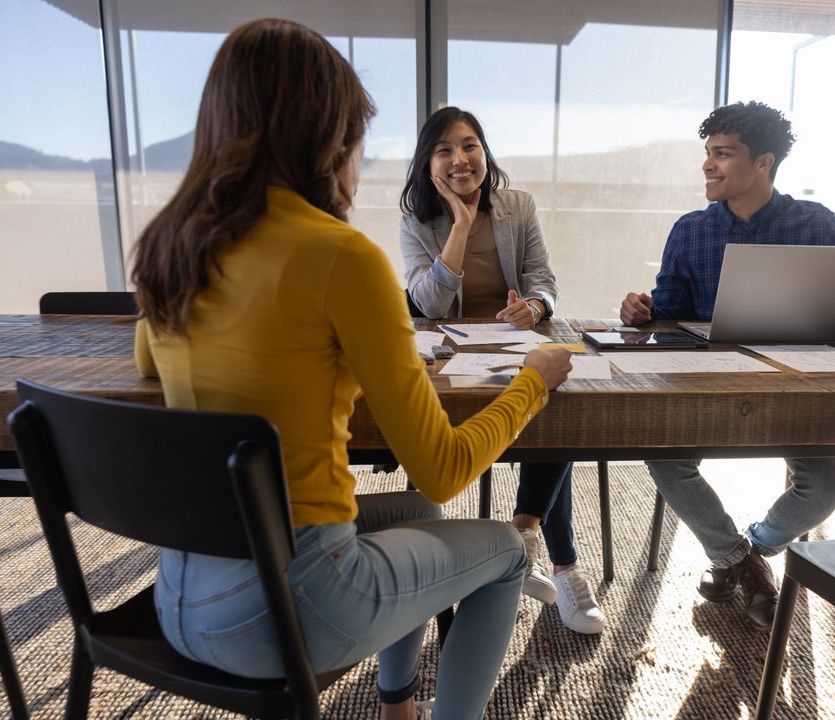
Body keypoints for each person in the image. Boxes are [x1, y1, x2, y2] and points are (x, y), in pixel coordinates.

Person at [131, 19, 572, 720]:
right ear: (329, 140)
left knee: (417, 516)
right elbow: (444, 466)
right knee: (507, 553)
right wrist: (534, 383)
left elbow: (148, 359)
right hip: (288, 609)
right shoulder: (341, 255)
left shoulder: (172, 248)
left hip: (179, 597)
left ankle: (396, 706)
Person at [620, 101, 835, 633]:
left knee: (826, 483)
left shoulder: (816, 224)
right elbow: (668, 314)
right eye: (706, 154)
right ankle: (739, 564)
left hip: (798, 389)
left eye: (722, 154)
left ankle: (752, 547)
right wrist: (643, 312)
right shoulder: (690, 231)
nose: (708, 165)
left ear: (764, 163)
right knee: (661, 454)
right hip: (711, 388)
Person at [399, 106, 605, 635]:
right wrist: (461, 225)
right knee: (543, 403)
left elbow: (544, 279)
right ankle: (559, 562)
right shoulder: (417, 221)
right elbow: (426, 305)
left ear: (484, 151)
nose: (460, 159)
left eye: (470, 145)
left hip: (518, 343)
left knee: (557, 398)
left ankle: (535, 541)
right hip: (452, 357)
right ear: (428, 164)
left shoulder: (517, 205)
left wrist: (534, 307)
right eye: (444, 150)